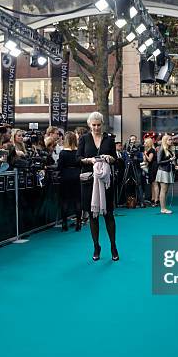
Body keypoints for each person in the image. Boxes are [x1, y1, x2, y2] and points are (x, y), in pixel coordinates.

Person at [77, 111, 118, 261]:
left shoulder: (109, 139)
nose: (96, 128)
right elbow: (78, 158)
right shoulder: (84, 139)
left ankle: (113, 246)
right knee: (93, 216)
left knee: (109, 215)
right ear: (89, 125)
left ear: (102, 124)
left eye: (98, 125)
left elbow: (116, 159)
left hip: (106, 182)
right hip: (89, 182)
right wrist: (89, 160)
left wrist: (110, 158)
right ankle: (96, 247)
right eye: (93, 125)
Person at [57, 131, 82, 232]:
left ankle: (64, 223)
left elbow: (59, 167)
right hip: (76, 176)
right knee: (77, 200)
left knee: (65, 200)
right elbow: (81, 164)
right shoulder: (78, 152)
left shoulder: (63, 153)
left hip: (65, 177)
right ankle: (79, 222)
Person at [156, 135, 178, 214]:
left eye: (171, 139)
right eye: (169, 139)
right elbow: (158, 162)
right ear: (165, 140)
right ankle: (163, 209)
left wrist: (174, 165)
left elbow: (168, 162)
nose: (171, 141)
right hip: (163, 171)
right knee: (163, 190)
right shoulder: (161, 149)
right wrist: (170, 160)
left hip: (168, 171)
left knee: (165, 191)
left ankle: (164, 208)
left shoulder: (168, 150)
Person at [143, 137, 158, 207]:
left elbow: (149, 159)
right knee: (152, 183)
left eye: (145, 142)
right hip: (151, 167)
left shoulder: (152, 150)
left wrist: (145, 154)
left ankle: (156, 200)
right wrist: (144, 155)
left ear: (148, 143)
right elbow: (146, 161)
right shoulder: (148, 150)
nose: (144, 144)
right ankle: (153, 199)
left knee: (155, 184)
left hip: (154, 167)